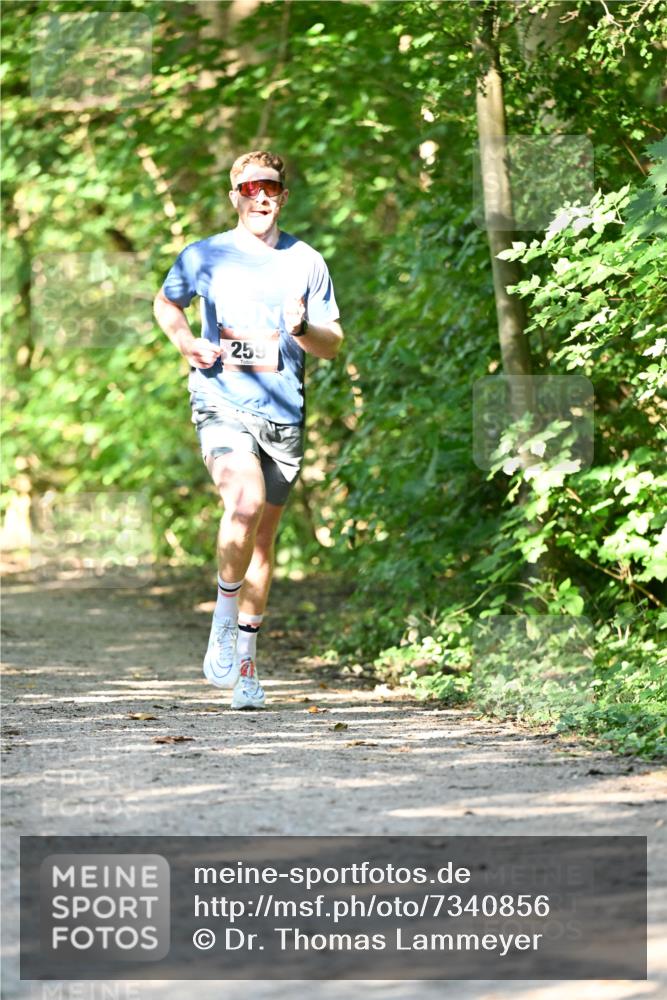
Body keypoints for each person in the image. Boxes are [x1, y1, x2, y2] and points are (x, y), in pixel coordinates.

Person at [153, 150, 343, 709]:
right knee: (244, 504)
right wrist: (187, 343)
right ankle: (222, 612)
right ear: (234, 193)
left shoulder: (306, 261)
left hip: (282, 416)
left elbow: (331, 344)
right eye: (253, 186)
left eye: (273, 189)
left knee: (263, 540)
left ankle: (246, 668)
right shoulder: (204, 255)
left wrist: (303, 326)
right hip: (220, 401)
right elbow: (167, 306)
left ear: (283, 197)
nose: (263, 196)